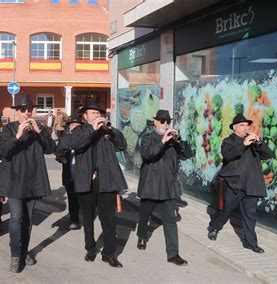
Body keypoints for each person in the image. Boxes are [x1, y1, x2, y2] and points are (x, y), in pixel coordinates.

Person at [0, 94, 56, 273]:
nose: (27, 112)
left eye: (29, 109)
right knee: (16, 219)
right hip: (14, 182)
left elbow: (51, 149)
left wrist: (39, 132)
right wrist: (18, 135)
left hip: (33, 182)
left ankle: (24, 252)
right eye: (23, 110)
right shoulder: (8, 129)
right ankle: (15, 255)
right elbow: (5, 152)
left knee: (28, 220)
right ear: (17, 112)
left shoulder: (40, 129)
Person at [70, 102, 127, 268]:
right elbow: (76, 145)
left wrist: (111, 130)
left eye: (98, 113)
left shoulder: (107, 131)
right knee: (88, 218)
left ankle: (109, 253)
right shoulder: (79, 130)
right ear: (85, 116)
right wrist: (92, 129)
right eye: (93, 113)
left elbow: (122, 145)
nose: (96, 116)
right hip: (86, 180)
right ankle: (90, 248)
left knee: (109, 218)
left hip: (106, 179)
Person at [207, 114, 272, 253]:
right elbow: (229, 155)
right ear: (235, 127)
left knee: (250, 215)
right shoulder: (228, 141)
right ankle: (213, 227)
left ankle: (250, 242)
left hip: (251, 184)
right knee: (225, 210)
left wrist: (259, 143)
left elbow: (267, 155)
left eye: (247, 125)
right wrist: (244, 144)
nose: (245, 128)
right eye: (242, 125)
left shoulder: (253, 143)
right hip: (234, 184)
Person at [136, 109, 192, 266]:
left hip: (168, 187)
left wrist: (179, 141)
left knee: (170, 220)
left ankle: (173, 254)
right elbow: (148, 155)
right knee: (144, 215)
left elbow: (187, 155)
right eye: (162, 121)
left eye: (167, 122)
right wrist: (163, 142)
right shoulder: (147, 138)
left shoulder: (173, 141)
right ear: (155, 122)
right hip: (151, 186)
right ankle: (141, 235)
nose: (165, 124)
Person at [55, 114, 83, 230]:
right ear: (69, 127)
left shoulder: (85, 139)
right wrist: (61, 158)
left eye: (77, 125)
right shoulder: (64, 139)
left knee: (83, 198)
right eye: (72, 125)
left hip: (82, 174)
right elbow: (58, 153)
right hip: (69, 173)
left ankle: (84, 215)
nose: (75, 127)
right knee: (72, 198)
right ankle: (74, 219)